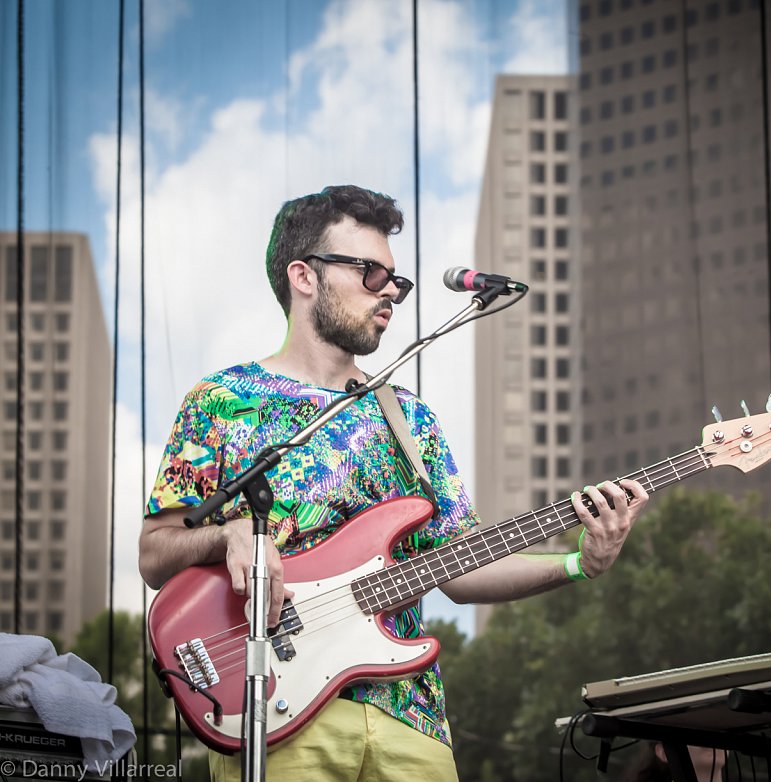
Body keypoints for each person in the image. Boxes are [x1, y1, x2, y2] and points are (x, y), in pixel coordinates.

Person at [138, 184, 649, 781]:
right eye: (371, 273)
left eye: (396, 280)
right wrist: (227, 536)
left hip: (413, 719)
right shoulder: (221, 401)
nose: (390, 294)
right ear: (304, 276)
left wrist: (577, 564)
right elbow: (154, 553)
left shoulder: (409, 418)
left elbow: (460, 567)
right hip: (276, 710)